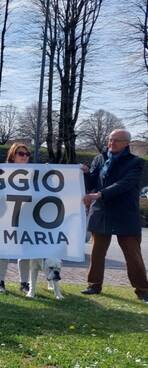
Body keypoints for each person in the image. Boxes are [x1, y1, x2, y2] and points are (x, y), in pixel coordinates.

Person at [81, 129, 148, 303]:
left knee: (133, 255)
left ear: (127, 143)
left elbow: (124, 184)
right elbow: (92, 183)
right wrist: (86, 173)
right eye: (110, 140)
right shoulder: (100, 159)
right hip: (101, 212)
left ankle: (143, 290)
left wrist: (100, 194)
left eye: (116, 140)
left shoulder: (136, 163)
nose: (112, 143)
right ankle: (94, 285)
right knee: (97, 252)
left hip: (125, 213)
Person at [0, 143, 31, 293]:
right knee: (4, 249)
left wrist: (48, 170)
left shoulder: (34, 172)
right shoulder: (2, 170)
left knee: (25, 251)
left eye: (27, 154)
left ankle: (24, 283)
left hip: (26, 216)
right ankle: (0, 282)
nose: (24, 157)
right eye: (21, 154)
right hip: (6, 216)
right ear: (12, 155)